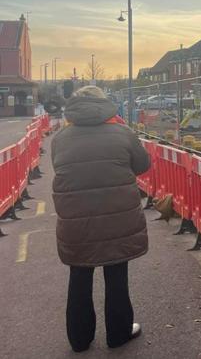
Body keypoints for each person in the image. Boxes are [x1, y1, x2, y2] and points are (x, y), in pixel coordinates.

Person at [51, 85, 150, 352]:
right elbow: (143, 165)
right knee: (117, 275)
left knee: (79, 276)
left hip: (76, 221)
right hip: (117, 219)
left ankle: (80, 339)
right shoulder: (122, 132)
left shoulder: (61, 138)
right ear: (105, 104)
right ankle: (118, 334)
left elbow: (59, 168)